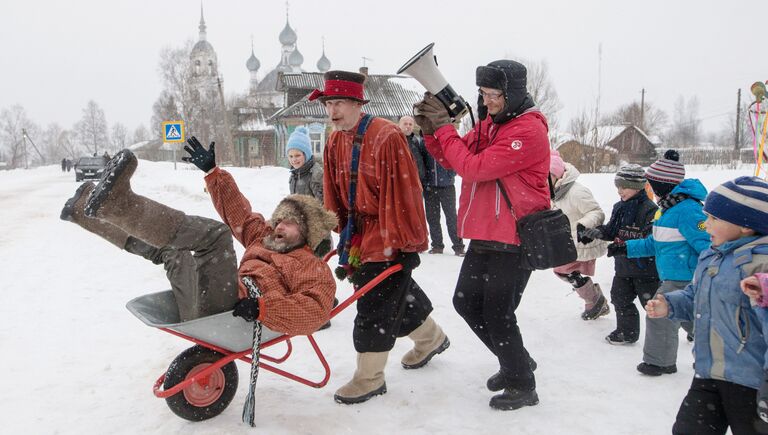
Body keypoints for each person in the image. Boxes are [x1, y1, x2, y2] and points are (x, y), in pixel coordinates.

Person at [62, 147, 337, 336]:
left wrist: (263, 307)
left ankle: (118, 204)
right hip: (207, 306)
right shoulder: (263, 239)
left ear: (307, 233)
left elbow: (315, 310)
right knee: (172, 250)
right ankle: (91, 213)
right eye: (279, 219)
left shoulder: (310, 266)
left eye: (289, 223)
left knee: (216, 235)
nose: (278, 226)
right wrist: (213, 172)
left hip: (235, 309)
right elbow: (238, 212)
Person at [414, 59, 550, 410]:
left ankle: (523, 383)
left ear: (513, 94)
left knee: (497, 313)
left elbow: (474, 166)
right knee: (465, 301)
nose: (486, 101)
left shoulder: (528, 131)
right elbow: (451, 160)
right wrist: (431, 130)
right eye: (483, 93)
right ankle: (514, 361)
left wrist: (445, 126)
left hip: (516, 236)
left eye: (494, 95)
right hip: (486, 233)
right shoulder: (491, 125)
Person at [310, 70, 450, 405]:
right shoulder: (333, 139)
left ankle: (369, 378)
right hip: (357, 235)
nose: (333, 111)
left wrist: (405, 244)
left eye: (340, 103)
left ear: (359, 104)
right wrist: (338, 228)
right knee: (390, 292)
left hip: (388, 231)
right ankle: (430, 338)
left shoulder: (386, 136)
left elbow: (407, 193)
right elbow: (334, 192)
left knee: (374, 302)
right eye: (329, 103)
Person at [645, 176, 768, 434]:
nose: (706, 225)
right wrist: (670, 304)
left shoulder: (760, 264)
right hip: (708, 372)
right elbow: (695, 295)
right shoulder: (712, 256)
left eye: (713, 219)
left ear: (746, 226)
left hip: (751, 382)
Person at [614, 150, 710, 376]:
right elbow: (657, 242)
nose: (651, 188)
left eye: (653, 184)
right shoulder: (668, 208)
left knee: (659, 313)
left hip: (685, 277)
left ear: (663, 185)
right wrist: (625, 247)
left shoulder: (687, 210)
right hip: (672, 274)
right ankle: (716, 352)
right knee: (692, 319)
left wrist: (706, 275)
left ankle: (659, 362)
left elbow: (708, 245)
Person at [578, 164, 660, 344]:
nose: (619, 191)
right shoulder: (619, 207)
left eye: (624, 187)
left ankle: (674, 332)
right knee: (620, 298)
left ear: (638, 186)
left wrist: (625, 247)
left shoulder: (650, 210)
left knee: (652, 305)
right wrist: (597, 232)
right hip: (623, 267)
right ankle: (627, 332)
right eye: (618, 187)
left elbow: (651, 241)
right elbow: (612, 230)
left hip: (646, 270)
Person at [548, 150, 609, 320]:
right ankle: (594, 300)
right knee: (562, 271)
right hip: (569, 242)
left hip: (583, 240)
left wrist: (584, 225)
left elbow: (596, 212)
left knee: (563, 271)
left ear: (558, 175)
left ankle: (594, 300)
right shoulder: (554, 192)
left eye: (547, 177)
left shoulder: (576, 192)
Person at [400, 115, 465, 257]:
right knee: (432, 217)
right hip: (430, 186)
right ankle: (437, 245)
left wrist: (450, 175)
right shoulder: (424, 143)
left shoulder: (447, 141)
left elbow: (455, 158)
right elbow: (420, 162)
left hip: (447, 186)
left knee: (451, 217)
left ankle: (458, 246)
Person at [286, 126, 332, 257]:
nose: (294, 159)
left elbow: (324, 207)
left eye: (297, 155)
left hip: (317, 236)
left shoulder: (315, 174)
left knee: (315, 272)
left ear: (306, 154)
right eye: (290, 156)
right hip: (301, 232)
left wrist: (322, 239)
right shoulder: (294, 175)